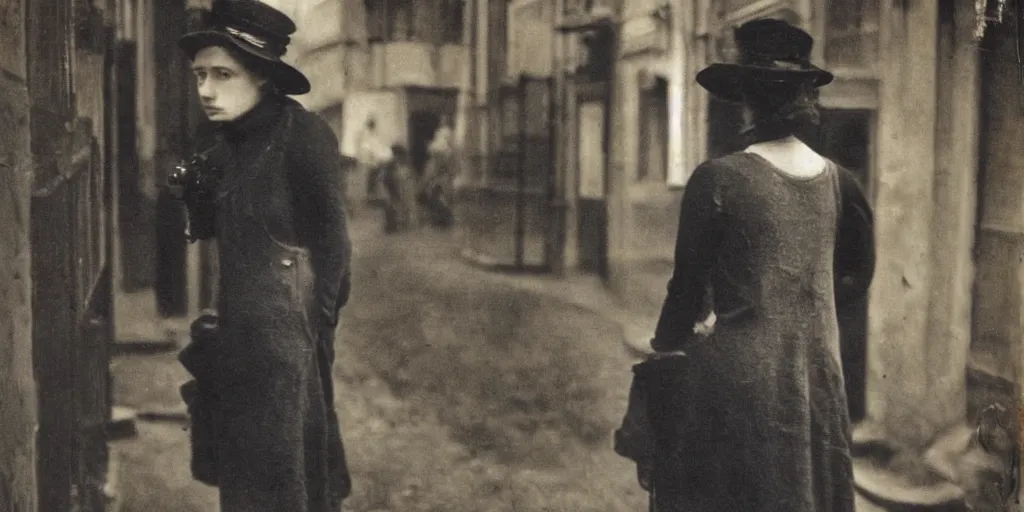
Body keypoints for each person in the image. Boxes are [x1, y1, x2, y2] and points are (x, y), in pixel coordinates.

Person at [637, 18, 875, 511]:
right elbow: (857, 275)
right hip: (816, 384)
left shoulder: (718, 179)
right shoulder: (842, 182)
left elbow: (685, 290)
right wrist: (800, 308)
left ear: (744, 99)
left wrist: (665, 351)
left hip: (737, 383)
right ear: (805, 97)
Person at [173, 1, 352, 510]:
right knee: (245, 483)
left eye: (223, 74)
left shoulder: (304, 136)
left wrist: (313, 329)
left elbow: (334, 241)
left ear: (263, 78)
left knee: (292, 478)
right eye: (200, 74)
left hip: (288, 349)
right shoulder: (227, 146)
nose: (206, 89)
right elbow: (218, 234)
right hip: (240, 344)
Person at [419, 117, 456, 228]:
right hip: (437, 180)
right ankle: (438, 217)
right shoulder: (432, 162)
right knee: (435, 196)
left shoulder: (446, 144)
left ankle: (443, 217)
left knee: (441, 197)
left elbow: (445, 170)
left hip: (441, 179)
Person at [381, 144, 418, 233]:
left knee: (405, 205)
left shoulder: (405, 164)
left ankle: (404, 223)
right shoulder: (390, 165)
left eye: (396, 154)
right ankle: (395, 224)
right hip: (395, 188)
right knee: (395, 205)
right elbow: (386, 178)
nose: (395, 156)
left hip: (404, 187)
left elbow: (412, 176)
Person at [356, 116, 393, 205]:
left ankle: (375, 196)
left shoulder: (375, 135)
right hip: (370, 161)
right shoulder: (365, 135)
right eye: (371, 124)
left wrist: (379, 157)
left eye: (373, 124)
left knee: (377, 178)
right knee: (371, 179)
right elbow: (365, 148)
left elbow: (378, 148)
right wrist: (371, 157)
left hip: (377, 161)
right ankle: (371, 197)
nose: (372, 126)